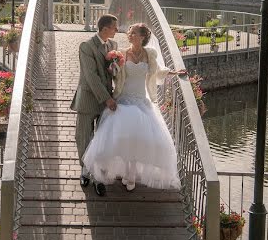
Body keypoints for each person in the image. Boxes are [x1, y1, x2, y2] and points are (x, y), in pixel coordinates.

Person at [83, 23, 185, 191]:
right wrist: (113, 68)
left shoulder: (150, 54)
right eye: (129, 33)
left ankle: (130, 174)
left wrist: (173, 73)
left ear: (142, 37)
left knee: (139, 139)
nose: (129, 35)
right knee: (124, 138)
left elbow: (157, 72)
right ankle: (126, 173)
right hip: (123, 100)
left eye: (133, 33)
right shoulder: (121, 53)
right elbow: (114, 75)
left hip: (141, 102)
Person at [70, 13, 118, 196]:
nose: (116, 30)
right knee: (83, 136)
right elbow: (91, 76)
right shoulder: (87, 46)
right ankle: (85, 170)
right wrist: (106, 98)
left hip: (107, 98)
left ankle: (98, 176)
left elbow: (112, 72)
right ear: (105, 28)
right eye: (114, 27)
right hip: (89, 98)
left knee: (102, 139)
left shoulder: (113, 46)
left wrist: (117, 68)